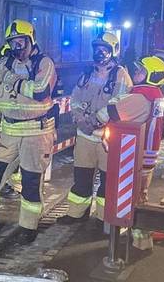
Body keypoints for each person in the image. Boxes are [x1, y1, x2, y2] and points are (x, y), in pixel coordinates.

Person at [0, 19, 57, 245]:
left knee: (31, 183)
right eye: (13, 42)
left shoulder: (44, 63)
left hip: (36, 134)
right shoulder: (4, 65)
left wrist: (14, 82)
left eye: (21, 42)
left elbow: (40, 90)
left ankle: (28, 227)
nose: (17, 47)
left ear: (31, 41)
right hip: (7, 133)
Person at [58, 55, 164, 224]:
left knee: (111, 184)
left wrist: (90, 121)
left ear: (152, 76)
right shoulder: (153, 95)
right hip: (141, 151)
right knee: (86, 178)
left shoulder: (139, 94)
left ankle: (106, 221)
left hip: (125, 149)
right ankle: (84, 215)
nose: (136, 72)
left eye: (141, 70)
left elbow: (114, 111)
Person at [57, 32, 133, 224]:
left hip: (107, 139)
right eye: (96, 49)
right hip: (85, 135)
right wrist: (79, 118)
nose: (99, 52)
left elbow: (119, 102)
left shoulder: (120, 75)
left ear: (113, 51)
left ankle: (103, 218)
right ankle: (76, 214)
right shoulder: (87, 73)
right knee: (81, 177)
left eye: (104, 49)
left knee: (108, 181)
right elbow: (75, 98)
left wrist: (96, 120)